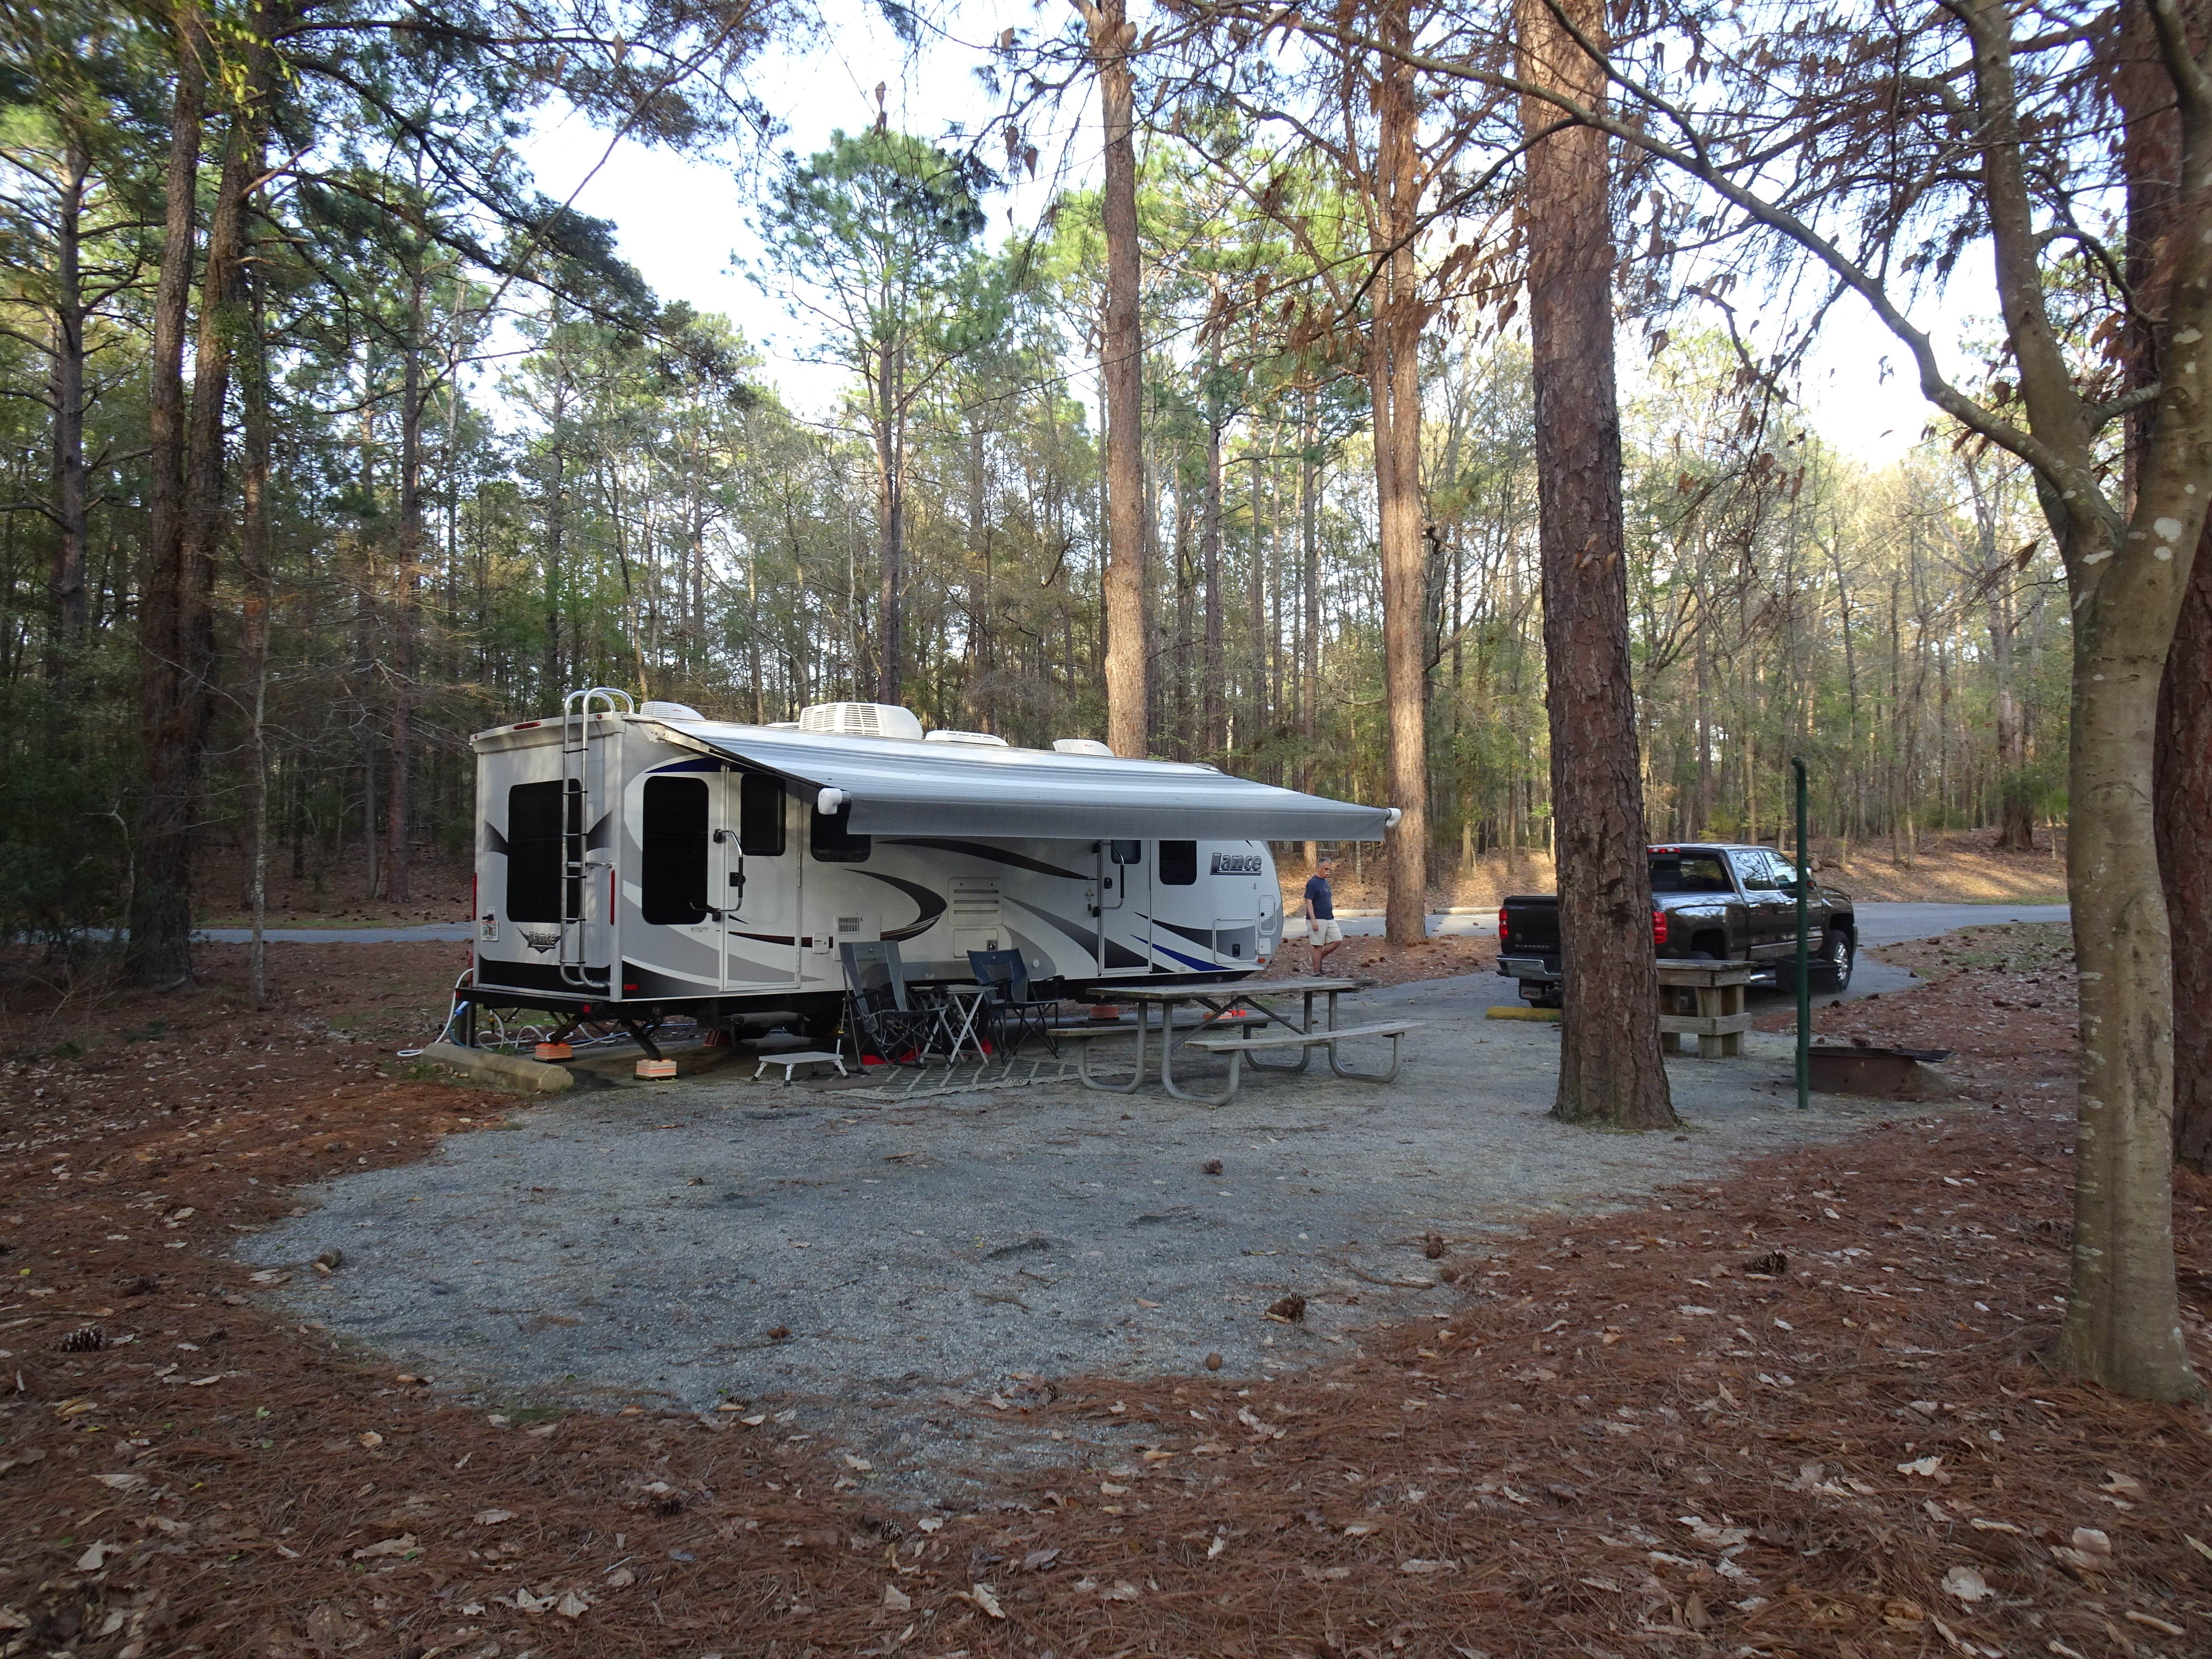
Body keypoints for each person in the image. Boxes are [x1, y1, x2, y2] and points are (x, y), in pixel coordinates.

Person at [1303, 857, 1342, 972]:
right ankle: (1316, 973)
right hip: (1317, 918)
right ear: (1320, 868)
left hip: (1329, 918)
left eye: (1329, 869)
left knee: (1337, 940)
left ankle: (1317, 959)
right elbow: (1309, 902)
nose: (1328, 872)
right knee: (1318, 946)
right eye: (1326, 869)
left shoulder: (1326, 882)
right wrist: (1314, 921)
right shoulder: (1312, 883)